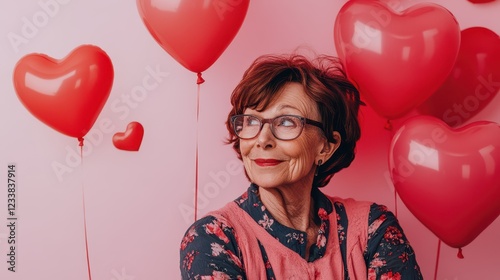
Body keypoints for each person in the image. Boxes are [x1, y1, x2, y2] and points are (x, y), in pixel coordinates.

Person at [179, 53, 423, 279]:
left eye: (286, 122)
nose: (262, 140)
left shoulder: (373, 228)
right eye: (251, 121)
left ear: (326, 146)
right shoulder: (213, 237)